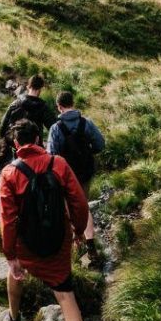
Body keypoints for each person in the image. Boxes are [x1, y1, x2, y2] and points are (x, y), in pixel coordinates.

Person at [0, 118, 94, 321]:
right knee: (65, 294)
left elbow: (7, 220)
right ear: (39, 139)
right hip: (58, 240)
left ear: (16, 144)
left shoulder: (9, 173)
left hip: (26, 245)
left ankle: (15, 318)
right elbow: (79, 203)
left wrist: (11, 255)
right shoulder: (59, 164)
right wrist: (77, 230)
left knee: (15, 274)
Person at [47, 91, 105, 262]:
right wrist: (88, 153)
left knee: (68, 209)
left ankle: (75, 243)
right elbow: (100, 144)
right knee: (84, 207)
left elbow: (51, 156)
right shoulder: (86, 123)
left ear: (59, 106)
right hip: (85, 172)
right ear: (73, 102)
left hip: (65, 175)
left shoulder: (55, 128)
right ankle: (91, 245)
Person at [0, 74, 56, 165]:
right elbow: (54, 127)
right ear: (41, 89)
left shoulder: (15, 104)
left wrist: (8, 141)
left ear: (28, 86)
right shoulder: (43, 107)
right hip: (35, 146)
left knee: (17, 170)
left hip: (17, 145)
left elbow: (2, 128)